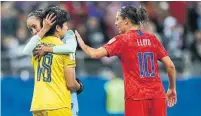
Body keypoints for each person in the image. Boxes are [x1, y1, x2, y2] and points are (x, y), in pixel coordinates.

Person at [75, 5, 177, 116]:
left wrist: (81, 43)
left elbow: (94, 54)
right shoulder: (152, 38)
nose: (115, 23)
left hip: (136, 97)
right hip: (158, 95)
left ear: (126, 21)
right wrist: (172, 88)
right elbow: (170, 65)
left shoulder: (122, 40)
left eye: (118, 19)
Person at [23, 7, 82, 116]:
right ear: (58, 27)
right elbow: (70, 83)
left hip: (38, 106)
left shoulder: (36, 47)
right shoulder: (65, 48)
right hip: (58, 105)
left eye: (34, 27)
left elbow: (25, 51)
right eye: (65, 25)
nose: (67, 27)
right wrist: (80, 86)